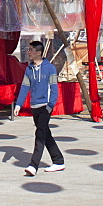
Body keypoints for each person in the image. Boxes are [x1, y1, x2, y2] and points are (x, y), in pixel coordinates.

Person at [14, 41, 65, 176]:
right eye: (28, 49)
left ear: (38, 52)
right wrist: (18, 104)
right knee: (46, 134)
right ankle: (58, 161)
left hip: (45, 107)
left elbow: (54, 89)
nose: (28, 52)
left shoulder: (50, 68)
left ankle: (33, 165)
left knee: (40, 135)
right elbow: (25, 87)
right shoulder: (29, 69)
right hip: (34, 106)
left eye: (31, 50)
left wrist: (50, 106)